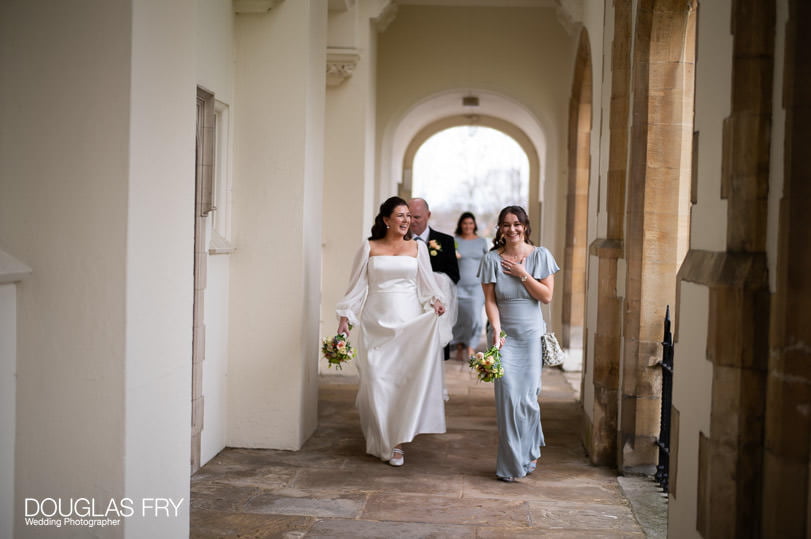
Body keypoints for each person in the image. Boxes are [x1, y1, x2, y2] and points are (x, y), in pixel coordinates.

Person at [336, 196, 447, 467]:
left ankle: (395, 443)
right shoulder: (369, 247)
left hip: (408, 326)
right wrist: (344, 322)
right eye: (400, 215)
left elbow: (426, 285)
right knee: (376, 381)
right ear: (386, 220)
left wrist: (436, 301)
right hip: (376, 324)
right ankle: (382, 437)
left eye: (409, 215)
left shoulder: (417, 248)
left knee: (401, 384)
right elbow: (356, 288)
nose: (406, 220)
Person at [478, 205, 560, 482]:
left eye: (516, 224)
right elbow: (490, 300)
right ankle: (511, 464)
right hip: (506, 336)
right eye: (505, 225)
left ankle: (531, 447)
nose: (511, 229)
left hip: (531, 336)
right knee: (508, 399)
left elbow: (546, 296)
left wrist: (522, 274)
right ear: (499, 229)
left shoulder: (541, 255)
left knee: (528, 400)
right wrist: (496, 330)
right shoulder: (491, 259)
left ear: (525, 226)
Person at [408, 198, 460, 360]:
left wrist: (432, 279)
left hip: (435, 307)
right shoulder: (399, 241)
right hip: (408, 304)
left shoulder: (446, 241)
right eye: (409, 217)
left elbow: (454, 275)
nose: (412, 222)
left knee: (433, 358)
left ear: (428, 215)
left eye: (417, 217)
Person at [451, 212, 489, 362]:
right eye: (465, 223)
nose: (468, 226)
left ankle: (471, 346)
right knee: (460, 318)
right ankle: (460, 345)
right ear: (461, 224)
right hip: (458, 286)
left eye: (470, 223)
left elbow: (488, 262)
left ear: (474, 225)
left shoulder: (482, 242)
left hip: (477, 287)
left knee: (475, 318)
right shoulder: (455, 241)